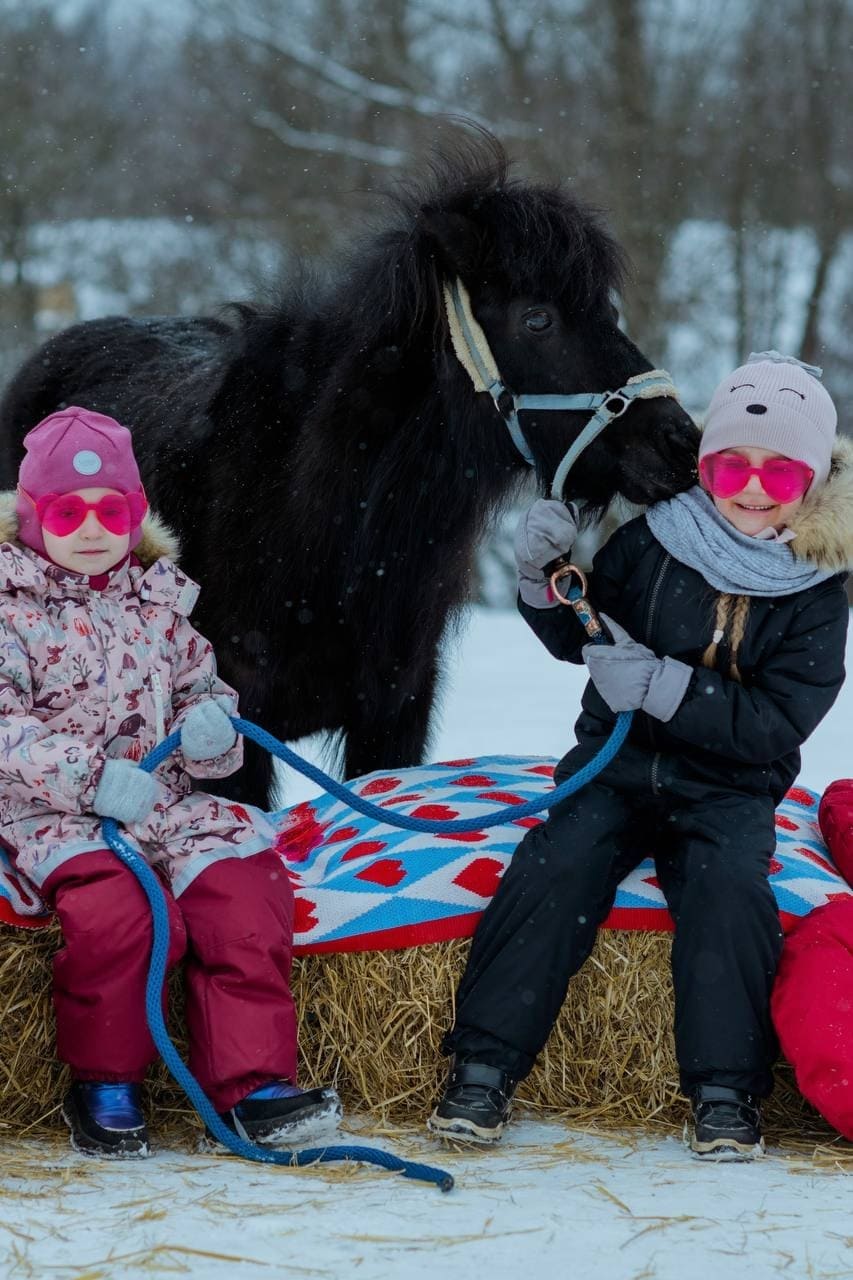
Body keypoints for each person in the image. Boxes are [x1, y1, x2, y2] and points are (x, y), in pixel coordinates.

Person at [428, 352, 851, 1160]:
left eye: (777, 474)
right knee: (551, 869)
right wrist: (540, 577)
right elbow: (577, 638)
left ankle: (725, 1091)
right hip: (615, 771)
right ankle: (483, 1067)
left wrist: (665, 687)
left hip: (728, 789)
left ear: (811, 481)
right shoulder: (651, 539)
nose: (752, 490)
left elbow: (773, 725)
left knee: (729, 896)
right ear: (705, 467)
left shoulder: (815, 593)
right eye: (731, 470)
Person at [0, 406, 341, 1159]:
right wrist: (90, 780)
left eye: (110, 510)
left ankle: (252, 1085)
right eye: (68, 511)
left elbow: (198, 691)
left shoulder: (162, 605)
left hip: (166, 805)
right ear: (32, 518)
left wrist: (214, 725)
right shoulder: (10, 611)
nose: (92, 528)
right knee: (124, 915)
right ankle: (106, 1081)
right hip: (54, 812)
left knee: (244, 894)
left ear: (135, 515)